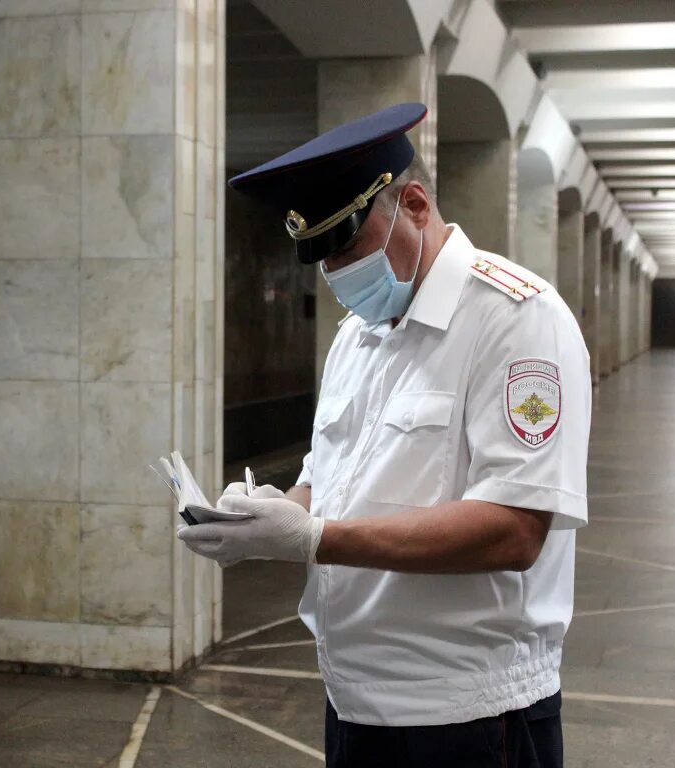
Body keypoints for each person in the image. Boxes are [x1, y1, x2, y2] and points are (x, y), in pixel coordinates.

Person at [179, 103, 590, 768]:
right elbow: (330, 479)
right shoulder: (357, 338)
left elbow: (515, 528)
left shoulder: (515, 320)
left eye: (345, 243)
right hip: (355, 704)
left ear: (416, 205)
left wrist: (315, 539)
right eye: (319, 255)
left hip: (472, 714)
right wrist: (267, 516)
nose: (336, 272)